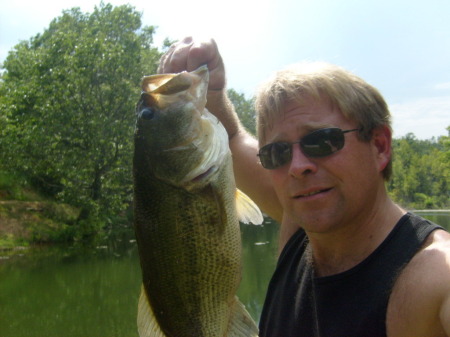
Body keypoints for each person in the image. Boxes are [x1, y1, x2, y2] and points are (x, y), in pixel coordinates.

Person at [158, 37, 450, 336]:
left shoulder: (435, 274)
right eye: (277, 153)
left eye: (321, 141)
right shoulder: (298, 222)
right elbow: (231, 139)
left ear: (379, 146)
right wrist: (212, 92)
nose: (297, 167)